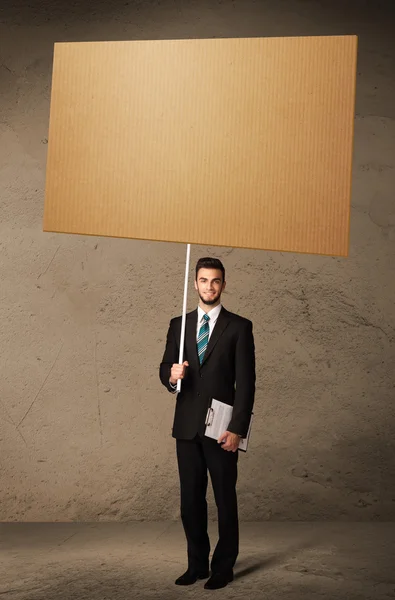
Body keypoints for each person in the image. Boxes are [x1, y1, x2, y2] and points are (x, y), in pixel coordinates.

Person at [159, 256, 256, 590]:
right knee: (190, 502)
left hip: (221, 429)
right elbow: (164, 369)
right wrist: (172, 376)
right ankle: (196, 565)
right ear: (195, 283)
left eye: (215, 281)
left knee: (224, 499)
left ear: (223, 285)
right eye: (203, 280)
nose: (209, 287)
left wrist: (238, 428)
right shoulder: (179, 325)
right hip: (186, 427)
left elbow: (246, 384)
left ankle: (223, 567)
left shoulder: (240, 327)